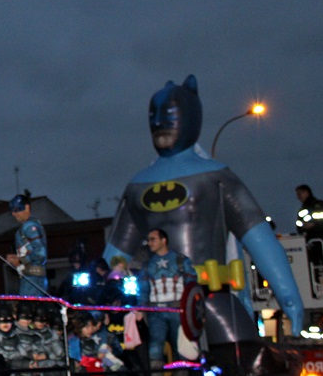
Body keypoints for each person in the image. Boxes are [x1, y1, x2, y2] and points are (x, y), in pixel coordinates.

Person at [101, 75, 304, 339]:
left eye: (169, 114)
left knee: (229, 360)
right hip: (182, 301)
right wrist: (288, 298)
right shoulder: (143, 186)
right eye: (154, 115)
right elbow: (116, 255)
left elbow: (259, 239)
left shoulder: (214, 178)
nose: (160, 122)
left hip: (199, 297)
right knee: (236, 362)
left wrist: (289, 298)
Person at [141, 228, 196, 376]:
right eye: (148, 239)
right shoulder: (147, 265)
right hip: (156, 311)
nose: (149, 243)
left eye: (153, 239)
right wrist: (141, 308)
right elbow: (143, 289)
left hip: (177, 309)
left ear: (163, 240)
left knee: (180, 349)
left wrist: (191, 309)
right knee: (155, 349)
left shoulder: (180, 260)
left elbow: (192, 285)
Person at [5, 193, 48, 296]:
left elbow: (40, 253)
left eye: (16, 210)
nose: (13, 214)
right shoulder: (32, 225)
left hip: (32, 277)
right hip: (32, 276)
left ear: (27, 207)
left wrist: (20, 261)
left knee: (27, 308)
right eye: (12, 210)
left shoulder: (29, 226)